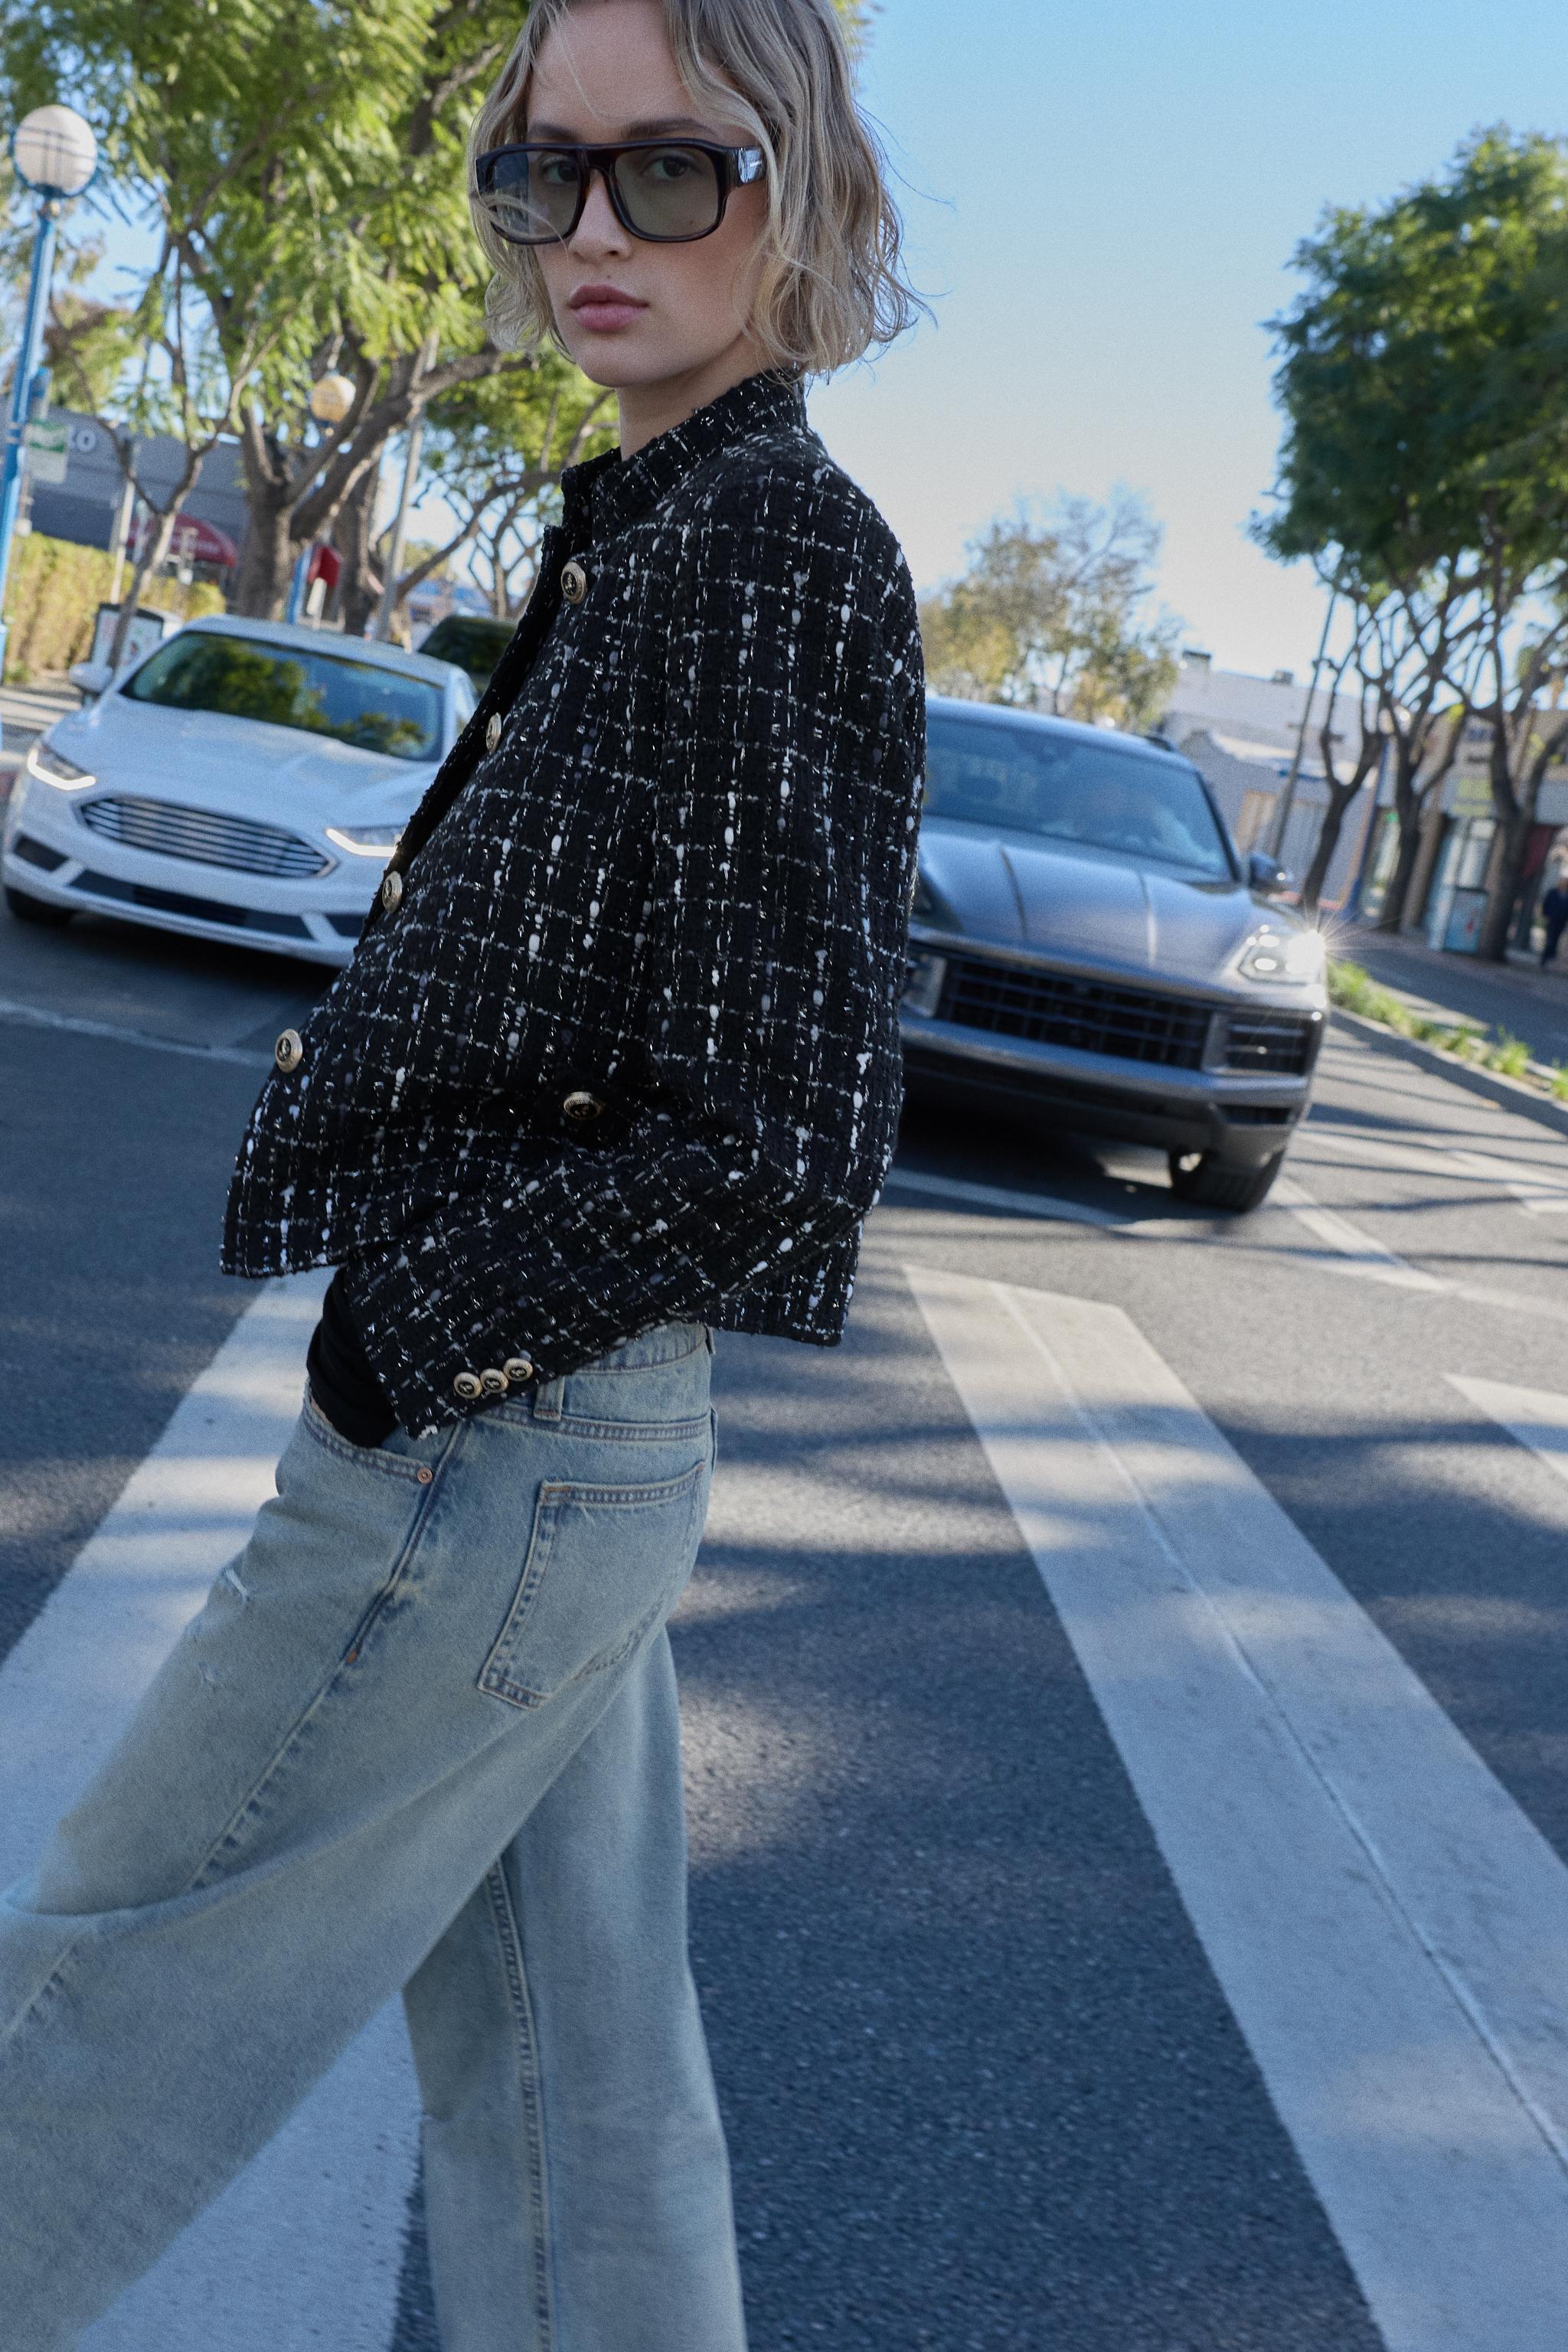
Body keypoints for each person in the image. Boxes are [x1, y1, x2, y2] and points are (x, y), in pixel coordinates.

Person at [0, 3, 924, 2344]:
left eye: (667, 171)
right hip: (548, 1445)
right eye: (541, 171)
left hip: (490, 1445)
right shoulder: (666, 519)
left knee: (93, 2015)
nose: (590, 228)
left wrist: (408, 1342)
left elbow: (781, 1140)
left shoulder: (770, 549)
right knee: (572, 2104)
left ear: (798, 183)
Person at [1540, 867, 1568, 968]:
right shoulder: (1553, 892)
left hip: (1561, 922)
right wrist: (1545, 916)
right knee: (1549, 940)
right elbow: (1546, 904)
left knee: (1555, 940)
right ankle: (1544, 958)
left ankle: (1549, 957)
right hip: (1551, 920)